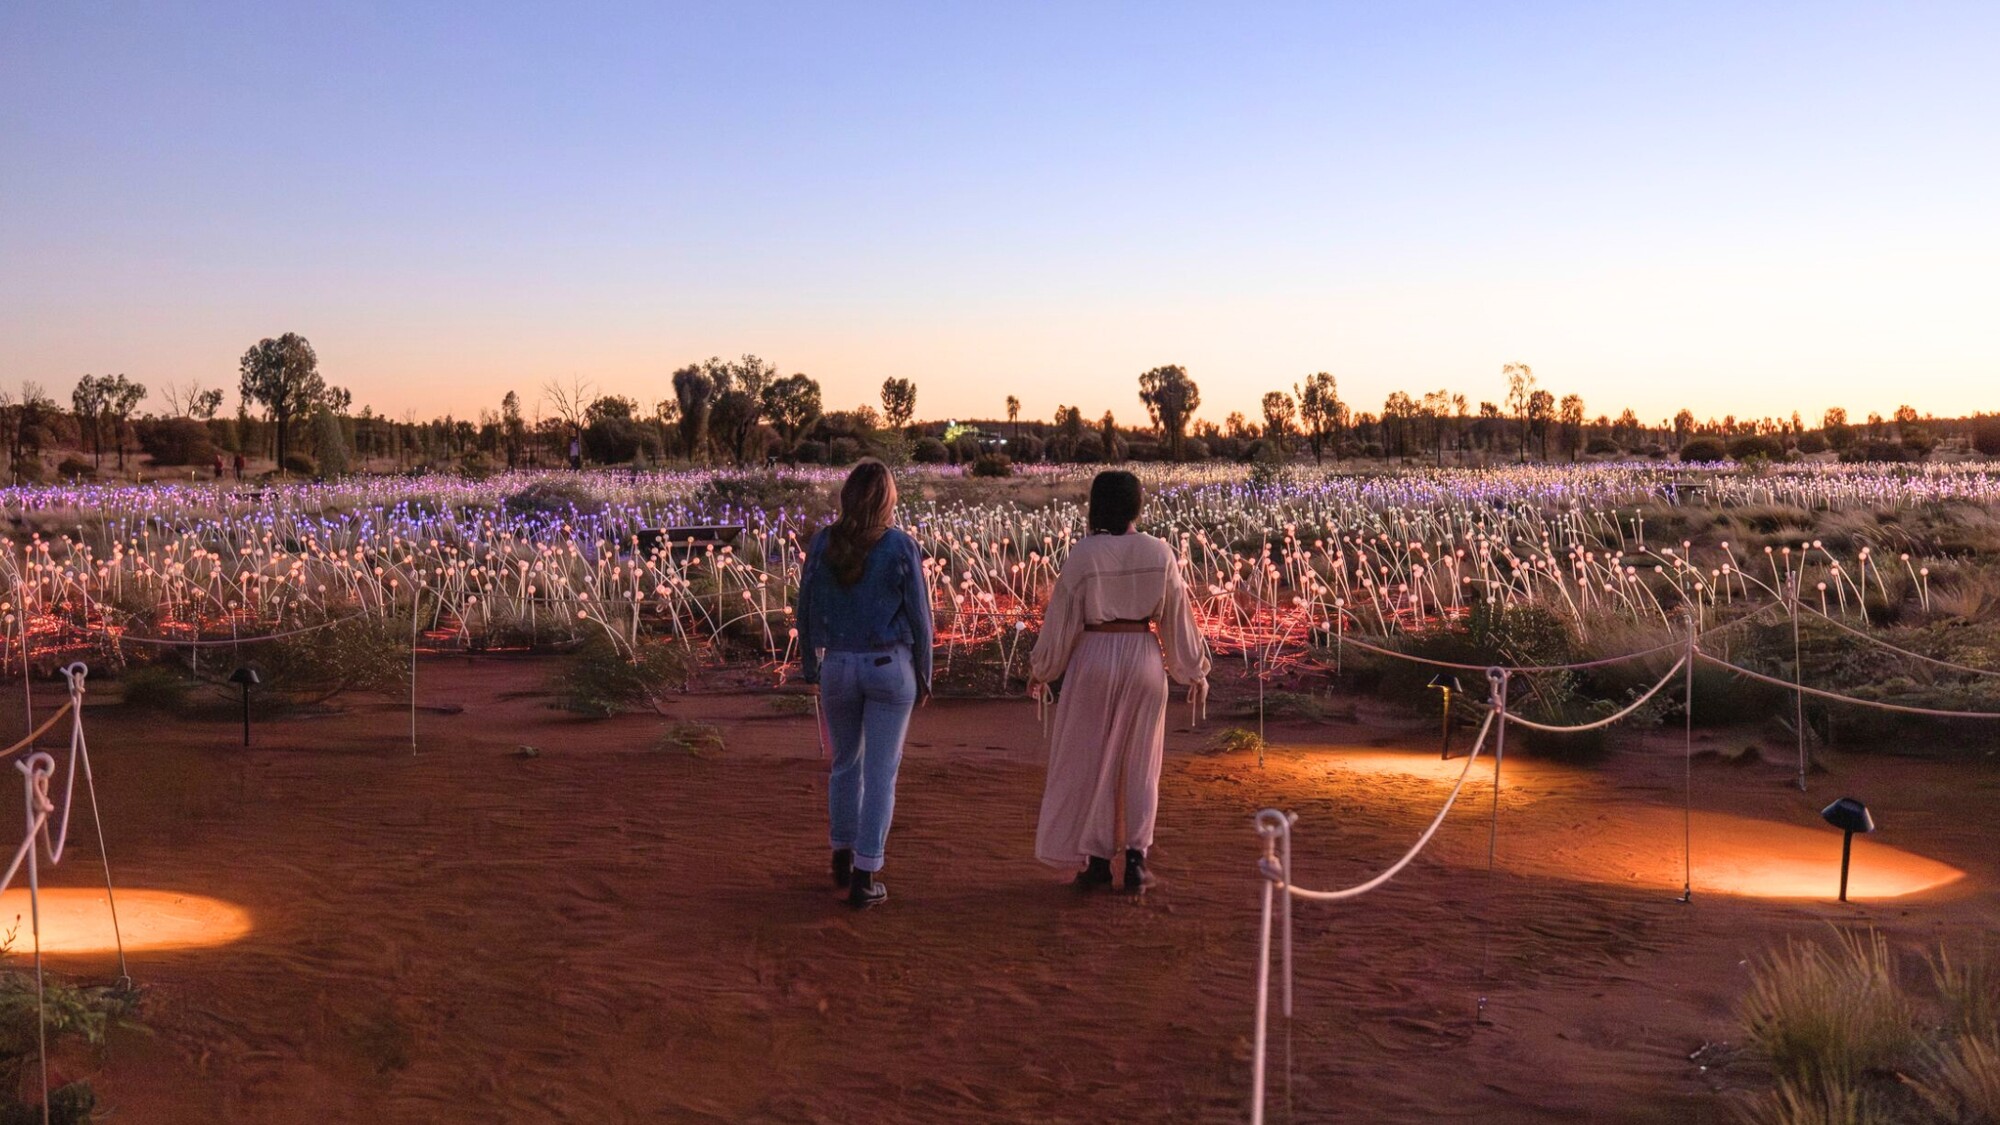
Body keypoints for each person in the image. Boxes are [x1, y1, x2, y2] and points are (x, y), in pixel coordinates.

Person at [1029, 470, 1209, 892]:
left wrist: (1043, 669)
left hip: (1094, 657)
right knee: (1142, 763)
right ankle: (1135, 860)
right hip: (1144, 658)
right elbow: (1177, 618)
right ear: (1135, 505)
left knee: (1090, 760)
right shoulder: (1159, 552)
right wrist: (1193, 670)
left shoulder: (1083, 554)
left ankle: (1094, 861)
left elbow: (1061, 622)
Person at [796, 460, 933, 908]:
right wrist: (926, 673)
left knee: (844, 765)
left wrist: (809, 664)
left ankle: (841, 852)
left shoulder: (824, 543)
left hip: (837, 664)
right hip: (888, 667)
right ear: (888, 499)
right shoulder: (899, 546)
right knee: (880, 775)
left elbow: (805, 606)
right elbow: (920, 617)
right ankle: (865, 873)